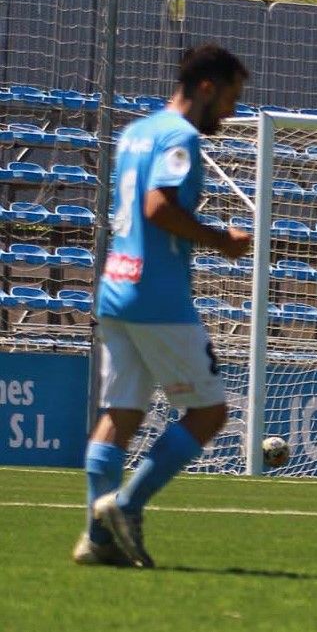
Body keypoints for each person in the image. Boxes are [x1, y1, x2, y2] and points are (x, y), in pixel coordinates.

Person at [73, 44, 251, 568]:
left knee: (120, 413)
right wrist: (221, 240)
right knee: (209, 411)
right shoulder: (179, 138)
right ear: (206, 88)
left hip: (116, 288)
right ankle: (126, 506)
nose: (232, 113)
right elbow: (157, 208)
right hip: (157, 295)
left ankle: (97, 542)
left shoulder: (135, 133)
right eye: (230, 100)